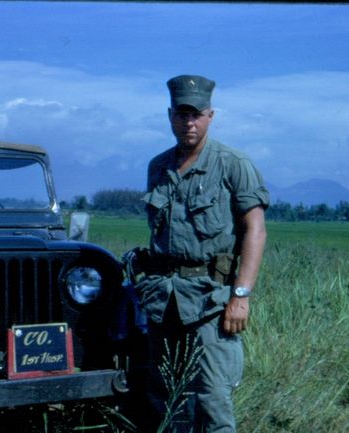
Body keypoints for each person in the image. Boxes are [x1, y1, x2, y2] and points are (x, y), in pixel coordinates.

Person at [131, 74, 269, 433]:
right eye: (181, 114)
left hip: (210, 300)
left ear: (210, 115)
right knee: (165, 398)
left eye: (196, 115)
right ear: (170, 116)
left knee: (212, 401)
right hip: (164, 301)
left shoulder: (232, 164)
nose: (188, 122)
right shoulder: (158, 167)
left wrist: (241, 295)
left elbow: (255, 229)